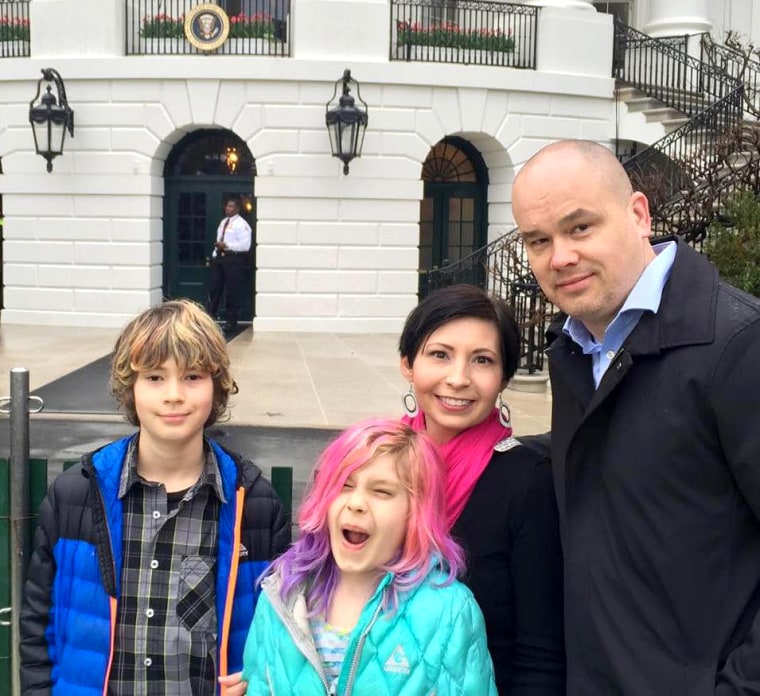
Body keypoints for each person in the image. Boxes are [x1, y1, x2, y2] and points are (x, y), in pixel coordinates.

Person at [512, 139, 760, 694]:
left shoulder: (741, 346)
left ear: (639, 214)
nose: (560, 257)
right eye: (538, 240)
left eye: (580, 228)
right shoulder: (574, 350)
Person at [20, 299, 290, 696]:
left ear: (217, 386)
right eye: (155, 377)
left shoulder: (255, 505)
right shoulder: (76, 494)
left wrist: (262, 682)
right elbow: (38, 627)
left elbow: (279, 632)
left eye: (193, 376)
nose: (174, 395)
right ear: (130, 386)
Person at [242, 418, 498, 695]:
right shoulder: (280, 594)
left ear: (416, 513)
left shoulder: (449, 612)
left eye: (382, 492)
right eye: (344, 485)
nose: (356, 503)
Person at [398, 284, 565, 694]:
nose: (458, 379)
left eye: (482, 360)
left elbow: (540, 652)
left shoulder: (527, 482)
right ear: (407, 363)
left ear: (504, 377)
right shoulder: (376, 464)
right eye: (440, 355)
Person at [207, 197, 252, 332]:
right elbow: (218, 239)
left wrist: (227, 246)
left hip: (233, 260)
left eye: (231, 207)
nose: (228, 208)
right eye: (227, 206)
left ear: (237, 209)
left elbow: (245, 245)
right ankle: (210, 318)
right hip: (220, 259)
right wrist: (215, 253)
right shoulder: (223, 222)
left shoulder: (242, 224)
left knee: (232, 291)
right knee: (215, 288)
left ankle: (231, 321)